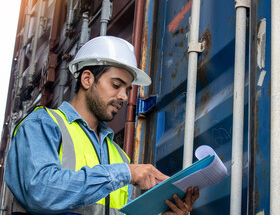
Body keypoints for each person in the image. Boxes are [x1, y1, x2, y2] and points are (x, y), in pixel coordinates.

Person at [5, 36, 199, 215]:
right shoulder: (43, 124)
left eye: (127, 89)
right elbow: (41, 192)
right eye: (116, 85)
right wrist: (127, 172)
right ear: (87, 79)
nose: (124, 96)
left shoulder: (119, 155)